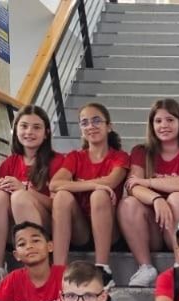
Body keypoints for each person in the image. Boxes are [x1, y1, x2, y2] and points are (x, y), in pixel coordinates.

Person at [120, 99, 179, 287]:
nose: (164, 125)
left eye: (169, 120)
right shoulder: (141, 151)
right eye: (158, 121)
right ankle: (145, 267)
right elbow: (133, 186)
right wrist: (157, 198)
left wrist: (149, 182)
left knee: (178, 198)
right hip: (152, 227)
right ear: (151, 125)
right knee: (128, 203)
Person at [0, 106, 61, 292]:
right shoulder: (10, 162)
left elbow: (58, 205)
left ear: (46, 133)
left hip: (47, 224)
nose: (29, 132)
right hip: (12, 229)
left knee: (19, 198)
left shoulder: (57, 161)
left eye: (36, 127)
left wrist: (25, 190)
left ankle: (35, 266)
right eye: (24, 126)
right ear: (16, 129)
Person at [49, 102, 129, 275]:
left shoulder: (119, 157)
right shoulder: (75, 157)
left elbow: (111, 182)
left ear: (109, 126)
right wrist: (94, 184)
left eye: (96, 121)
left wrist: (86, 186)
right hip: (81, 230)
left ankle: (102, 269)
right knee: (62, 196)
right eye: (84, 123)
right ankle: (58, 271)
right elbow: (54, 184)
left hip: (111, 231)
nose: (90, 126)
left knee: (99, 195)